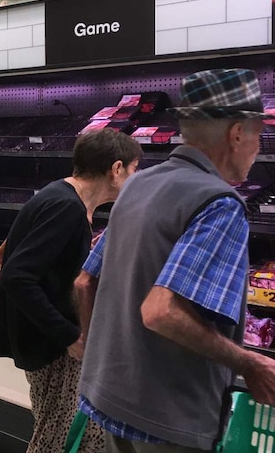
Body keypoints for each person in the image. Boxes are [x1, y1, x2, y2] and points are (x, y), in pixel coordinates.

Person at [76, 68, 275, 453]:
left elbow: (85, 281)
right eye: (257, 132)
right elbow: (161, 311)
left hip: (109, 399)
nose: (258, 143)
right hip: (170, 421)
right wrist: (249, 364)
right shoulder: (219, 203)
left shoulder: (138, 185)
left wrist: (97, 354)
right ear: (236, 133)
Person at [0, 128, 142, 453]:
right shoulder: (67, 208)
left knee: (68, 436)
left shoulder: (62, 196)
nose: (136, 177)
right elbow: (17, 276)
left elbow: (44, 265)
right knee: (56, 441)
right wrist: (68, 336)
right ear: (116, 170)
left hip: (46, 342)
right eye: (134, 169)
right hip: (53, 348)